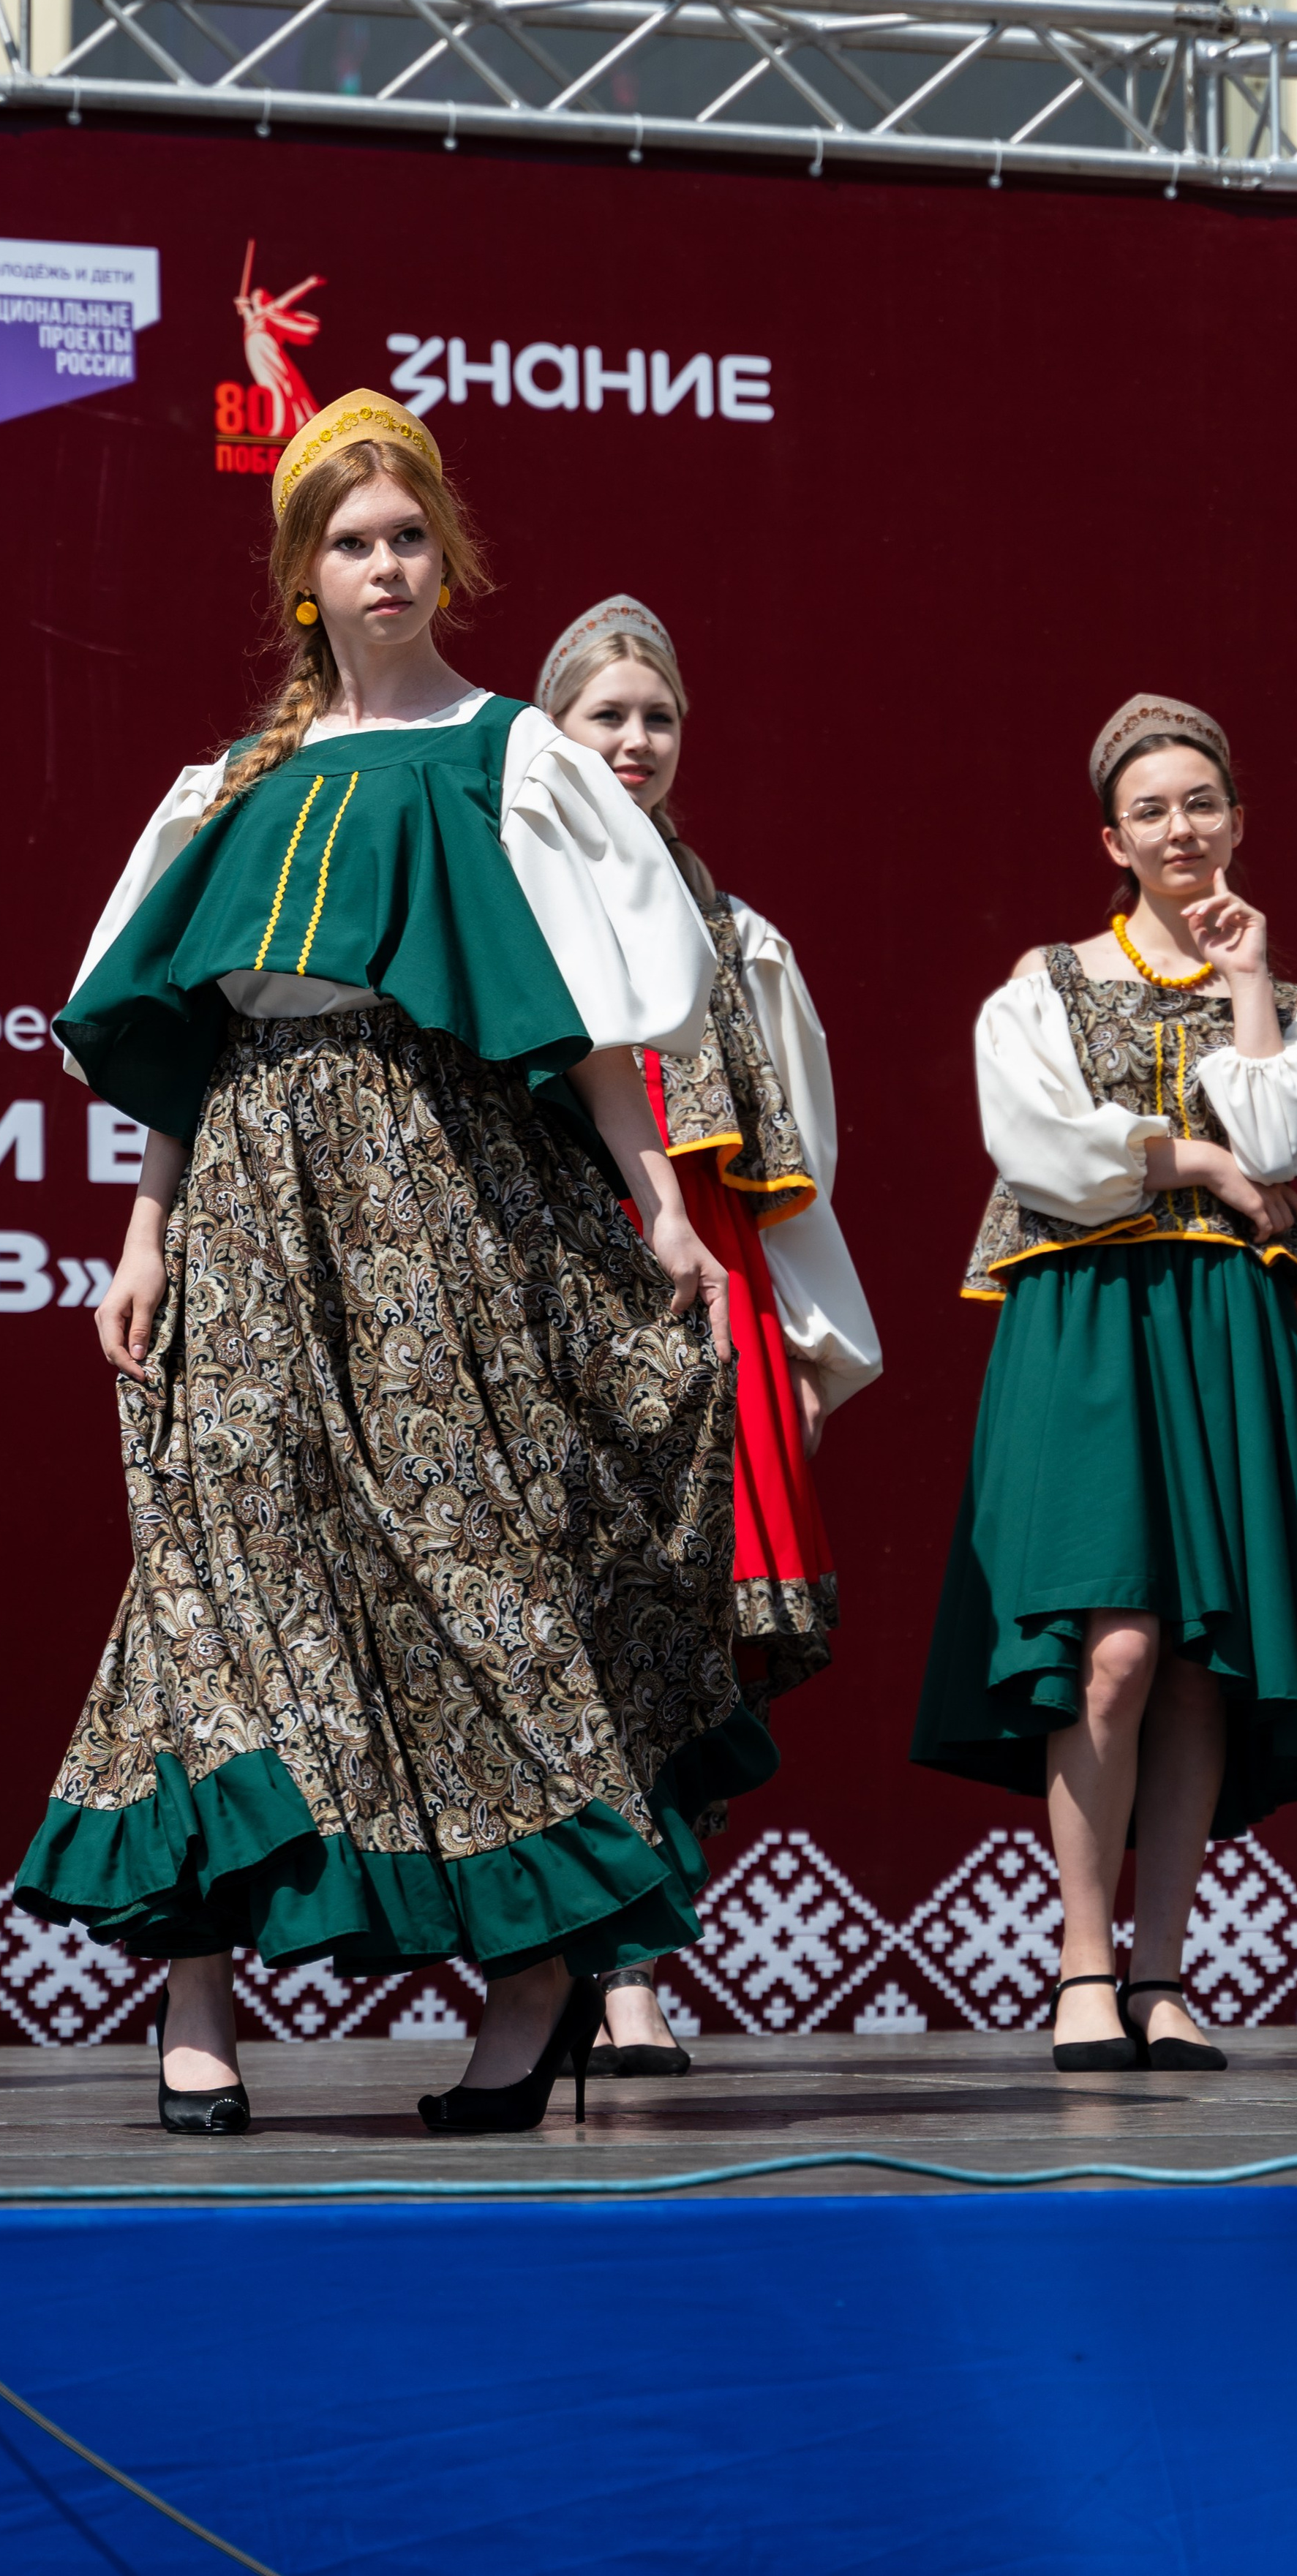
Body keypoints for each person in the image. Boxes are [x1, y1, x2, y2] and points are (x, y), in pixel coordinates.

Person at [14, 391, 775, 2137]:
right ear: (303, 575)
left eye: (407, 536)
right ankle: (194, 1998)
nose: (383, 565)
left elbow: (584, 1008)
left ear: (448, 557)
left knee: (480, 1562)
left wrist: (655, 1192)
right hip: (254, 1206)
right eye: (350, 541)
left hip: (446, 1197)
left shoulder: (514, 758)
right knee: (218, 1563)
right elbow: (185, 1049)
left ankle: (528, 1999)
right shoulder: (233, 789)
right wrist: (141, 1237)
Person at [912, 696, 1297, 2072]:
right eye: (1154, 810)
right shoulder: (1042, 983)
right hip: (1087, 1322)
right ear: (1114, 840)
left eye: (1204, 803)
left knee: (1204, 1660)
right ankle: (1084, 1964)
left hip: (1227, 1331)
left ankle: (1162, 1969)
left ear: (1239, 822)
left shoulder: (1294, 1007)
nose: (1182, 828)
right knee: (1113, 1648)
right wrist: (1198, 1165)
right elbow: (1045, 1147)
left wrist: (1253, 984)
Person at [535, 594, 882, 2073]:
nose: (632, 740)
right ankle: (566, 1968)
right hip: (550, 1280)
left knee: (697, 1641)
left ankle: (629, 1962)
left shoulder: (740, 942)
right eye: (603, 714)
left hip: (715, 1296)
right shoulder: (506, 916)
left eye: (655, 715)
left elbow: (789, 1176)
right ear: (547, 735)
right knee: (561, 1628)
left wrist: (806, 1346)